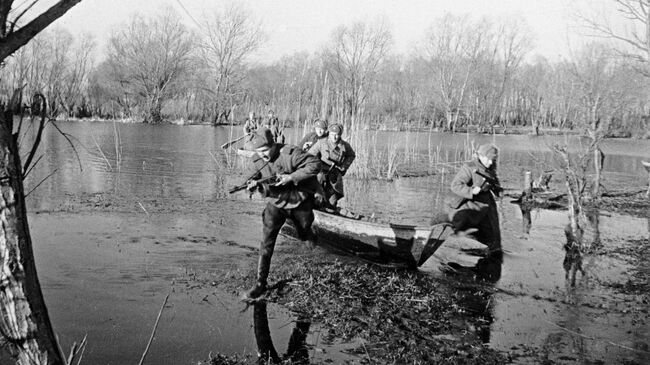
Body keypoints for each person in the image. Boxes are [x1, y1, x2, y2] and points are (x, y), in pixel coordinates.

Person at [242, 128, 323, 300]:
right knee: (266, 243)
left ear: (273, 145)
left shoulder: (290, 153)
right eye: (258, 151)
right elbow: (250, 177)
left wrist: (292, 177)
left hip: (298, 200)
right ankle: (260, 284)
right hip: (276, 202)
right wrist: (251, 185)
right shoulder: (257, 159)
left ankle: (310, 234)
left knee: (304, 234)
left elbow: (316, 164)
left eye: (265, 151)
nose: (262, 155)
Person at [447, 143, 503, 253]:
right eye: (489, 159)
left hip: (487, 206)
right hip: (471, 205)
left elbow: (495, 184)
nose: (491, 162)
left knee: (492, 235)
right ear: (481, 156)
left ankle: (490, 254)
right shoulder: (470, 167)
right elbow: (455, 185)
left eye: (493, 160)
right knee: (463, 234)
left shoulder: (490, 168)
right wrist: (471, 191)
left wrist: (498, 190)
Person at [308, 123, 356, 208]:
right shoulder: (322, 143)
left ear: (340, 135)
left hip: (334, 175)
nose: (334, 137)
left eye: (337, 135)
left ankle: (330, 210)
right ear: (329, 133)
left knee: (332, 202)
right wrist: (317, 168)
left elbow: (351, 155)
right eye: (332, 134)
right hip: (320, 174)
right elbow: (310, 155)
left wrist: (344, 167)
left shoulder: (345, 145)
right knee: (317, 198)